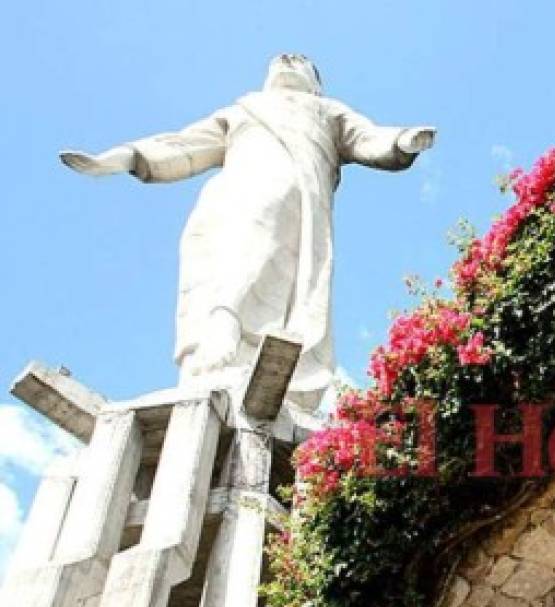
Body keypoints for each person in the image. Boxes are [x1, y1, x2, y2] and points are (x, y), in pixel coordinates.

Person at [60, 53, 436, 410]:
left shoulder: (325, 110)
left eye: (303, 61)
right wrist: (120, 158)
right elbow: (183, 144)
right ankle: (214, 340)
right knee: (214, 257)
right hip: (231, 191)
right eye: (282, 59)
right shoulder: (243, 109)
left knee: (263, 248)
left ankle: (231, 325)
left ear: (316, 85)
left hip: (290, 191)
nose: (289, 60)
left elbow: (367, 137)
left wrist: (401, 142)